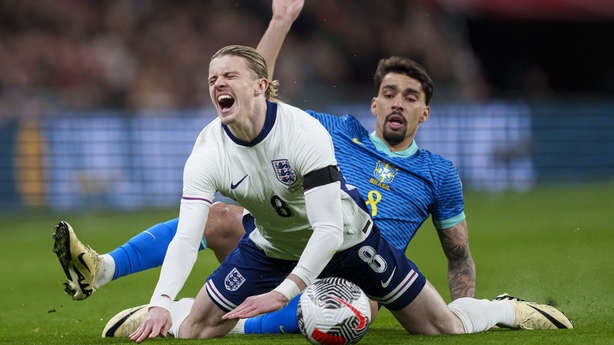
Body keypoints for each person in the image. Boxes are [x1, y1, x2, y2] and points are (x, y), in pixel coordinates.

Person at [51, 0, 573, 339]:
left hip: (351, 243)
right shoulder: (321, 131)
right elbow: (189, 234)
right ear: (373, 103)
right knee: (199, 314)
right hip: (277, 245)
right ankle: (150, 301)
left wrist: (286, 288)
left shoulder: (424, 168)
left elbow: (444, 250)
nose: (396, 103)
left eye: (409, 96)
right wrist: (162, 301)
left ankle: (501, 310)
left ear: (424, 111)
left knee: (437, 329)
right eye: (388, 93)